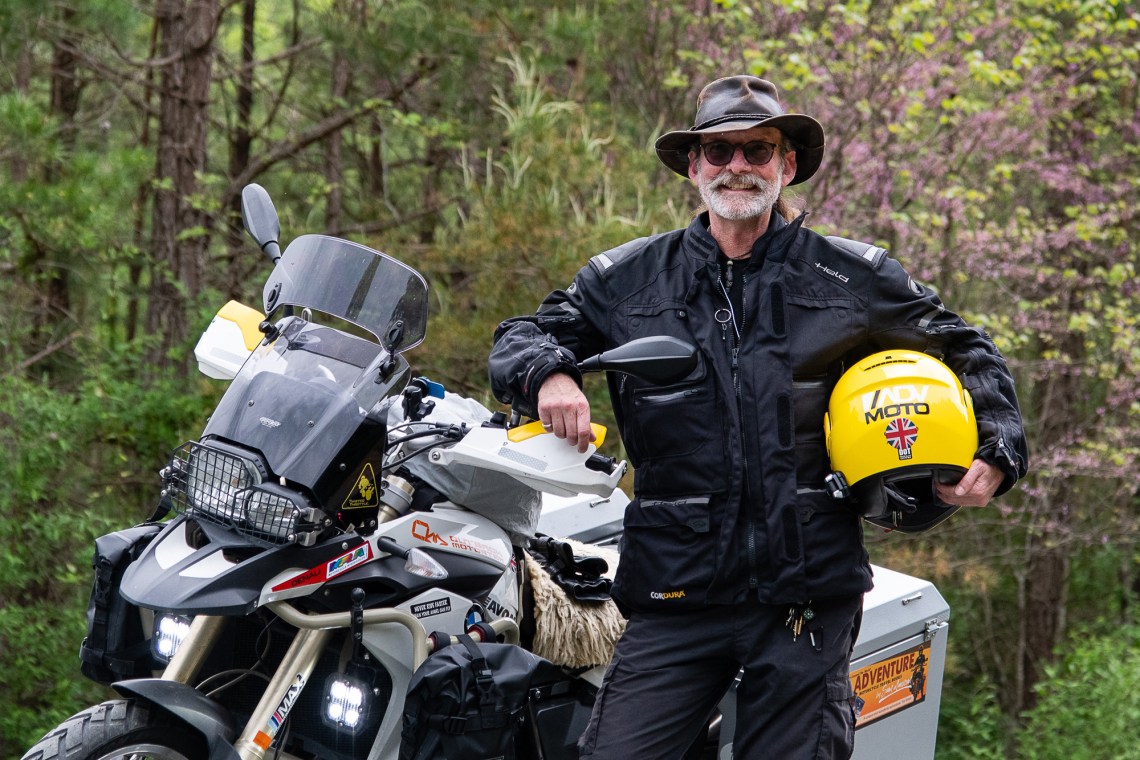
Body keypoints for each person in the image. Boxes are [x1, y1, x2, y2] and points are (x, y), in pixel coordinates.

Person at [488, 75, 1028, 759]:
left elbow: (962, 343)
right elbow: (523, 336)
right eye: (719, 151)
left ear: (787, 165)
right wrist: (552, 374)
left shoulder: (851, 278)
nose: (737, 166)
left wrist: (998, 445)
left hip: (806, 598)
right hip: (673, 593)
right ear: (693, 165)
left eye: (757, 150)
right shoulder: (627, 282)